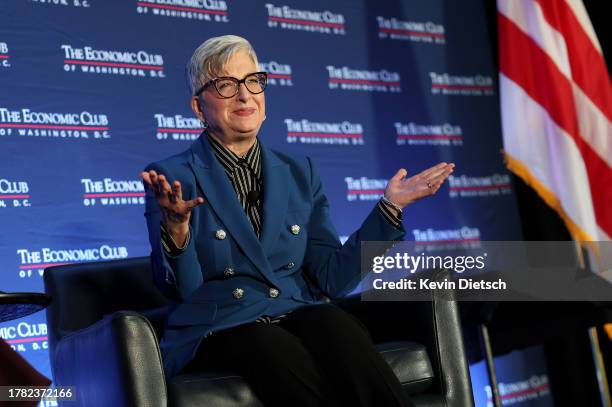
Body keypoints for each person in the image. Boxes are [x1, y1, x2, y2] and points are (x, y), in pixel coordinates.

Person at [141, 35, 454, 407]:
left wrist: (389, 208)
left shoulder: (298, 171)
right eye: (226, 85)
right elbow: (186, 291)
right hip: (220, 325)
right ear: (198, 106)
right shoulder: (172, 176)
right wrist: (177, 234)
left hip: (295, 310)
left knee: (336, 325)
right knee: (270, 344)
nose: (244, 95)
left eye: (253, 81)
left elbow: (331, 279)